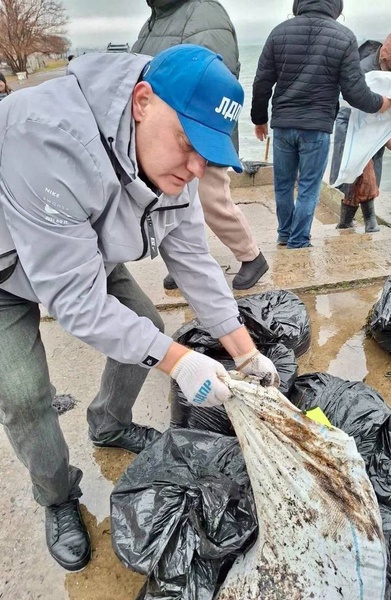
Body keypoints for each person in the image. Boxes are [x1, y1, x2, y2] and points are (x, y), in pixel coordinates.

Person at [0, 45, 279, 572]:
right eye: (187, 143)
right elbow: (77, 302)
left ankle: (108, 423)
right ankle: (57, 496)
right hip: (6, 264)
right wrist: (179, 361)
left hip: (82, 244)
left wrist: (243, 353)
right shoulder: (47, 137)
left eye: (209, 153)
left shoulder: (174, 162)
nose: (196, 168)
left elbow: (193, 257)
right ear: (142, 102)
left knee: (145, 328)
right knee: (22, 394)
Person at [132, 0, 268, 290]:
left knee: (213, 201)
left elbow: (217, 83)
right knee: (170, 204)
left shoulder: (205, 13)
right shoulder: (156, 18)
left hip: (197, 136)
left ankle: (252, 256)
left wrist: (199, 139)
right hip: (161, 136)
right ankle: (185, 261)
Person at [251, 0, 391, 249]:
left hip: (283, 124)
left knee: (283, 184)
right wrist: (381, 103)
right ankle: (299, 240)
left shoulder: (279, 32)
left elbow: (262, 82)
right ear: (335, 6)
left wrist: (259, 119)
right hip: (316, 127)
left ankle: (285, 235)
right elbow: (354, 92)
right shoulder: (344, 36)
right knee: (308, 186)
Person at [330, 25, 391, 232]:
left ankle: (349, 221)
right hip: (352, 121)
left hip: (380, 127)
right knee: (357, 169)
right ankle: (369, 221)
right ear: (387, 54)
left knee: (365, 171)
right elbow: (355, 100)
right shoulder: (364, 68)